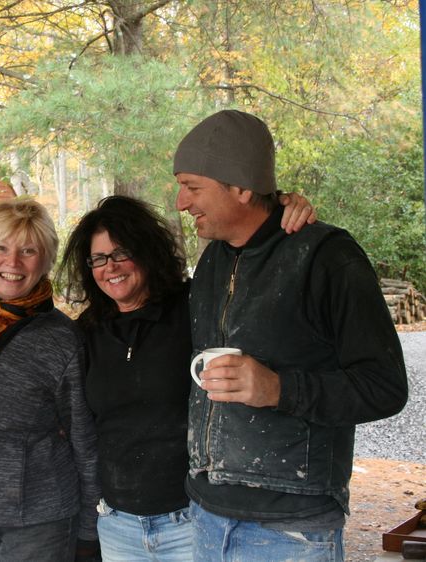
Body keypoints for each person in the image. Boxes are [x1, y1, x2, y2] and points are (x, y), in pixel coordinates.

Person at [173, 109, 408, 561]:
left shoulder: (327, 258)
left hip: (291, 530)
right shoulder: (213, 261)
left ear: (241, 188)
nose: (181, 202)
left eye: (193, 186)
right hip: (205, 516)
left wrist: (279, 388)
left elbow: (385, 388)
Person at [59, 193, 317, 562]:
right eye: (98, 258)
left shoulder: (195, 308)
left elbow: (248, 261)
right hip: (118, 525)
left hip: (192, 520)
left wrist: (278, 207)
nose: (109, 267)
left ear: (147, 250)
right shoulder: (87, 332)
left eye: (121, 253)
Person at [0, 198, 101, 562]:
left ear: (46, 260)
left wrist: (90, 531)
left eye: (28, 251)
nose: (12, 263)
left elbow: (84, 440)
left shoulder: (62, 340)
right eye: (0, 248)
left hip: (37, 525)